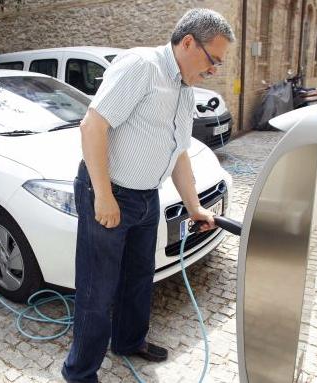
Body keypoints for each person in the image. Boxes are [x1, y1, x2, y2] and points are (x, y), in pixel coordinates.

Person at [62, 8, 235, 383]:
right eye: (213, 59)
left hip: (146, 197)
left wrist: (195, 207)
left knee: (140, 276)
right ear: (189, 42)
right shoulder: (141, 66)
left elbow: (180, 152)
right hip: (109, 192)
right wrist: (103, 196)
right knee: (98, 287)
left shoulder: (185, 89)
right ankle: (79, 372)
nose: (214, 69)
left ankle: (128, 341)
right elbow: (93, 126)